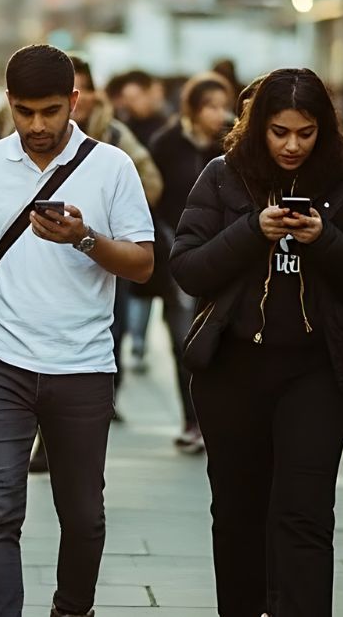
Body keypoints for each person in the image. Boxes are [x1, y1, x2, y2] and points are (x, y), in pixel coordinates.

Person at [0, 44, 154, 617]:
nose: (37, 125)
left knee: (83, 516)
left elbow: (144, 263)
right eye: (25, 111)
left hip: (82, 367)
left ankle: (70, 610)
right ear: (8, 103)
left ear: (74, 102)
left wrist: (84, 238)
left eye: (51, 111)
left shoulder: (111, 166)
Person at [170, 68, 343, 616]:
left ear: (325, 130)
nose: (292, 144)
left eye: (306, 132)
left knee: (305, 512)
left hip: (318, 370)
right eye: (279, 131)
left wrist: (325, 239)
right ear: (257, 127)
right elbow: (188, 269)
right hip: (232, 369)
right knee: (238, 513)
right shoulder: (223, 177)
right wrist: (251, 231)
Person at [145, 72, 236, 454]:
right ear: (192, 109)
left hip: (225, 257)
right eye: (210, 107)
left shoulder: (232, 143)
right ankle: (192, 419)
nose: (219, 114)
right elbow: (154, 198)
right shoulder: (167, 143)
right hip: (178, 257)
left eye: (223, 105)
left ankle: (219, 419)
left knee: (225, 343)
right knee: (185, 341)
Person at [71, 56, 162, 432]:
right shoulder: (24, 136)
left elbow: (152, 182)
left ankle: (108, 394)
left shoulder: (114, 138)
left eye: (79, 90)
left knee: (114, 326)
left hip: (105, 253)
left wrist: (118, 216)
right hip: (45, 251)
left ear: (92, 94)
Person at [105, 68, 171, 146]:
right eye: (128, 100)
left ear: (148, 93)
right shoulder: (125, 128)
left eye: (134, 98)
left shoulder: (165, 123)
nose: (130, 104)